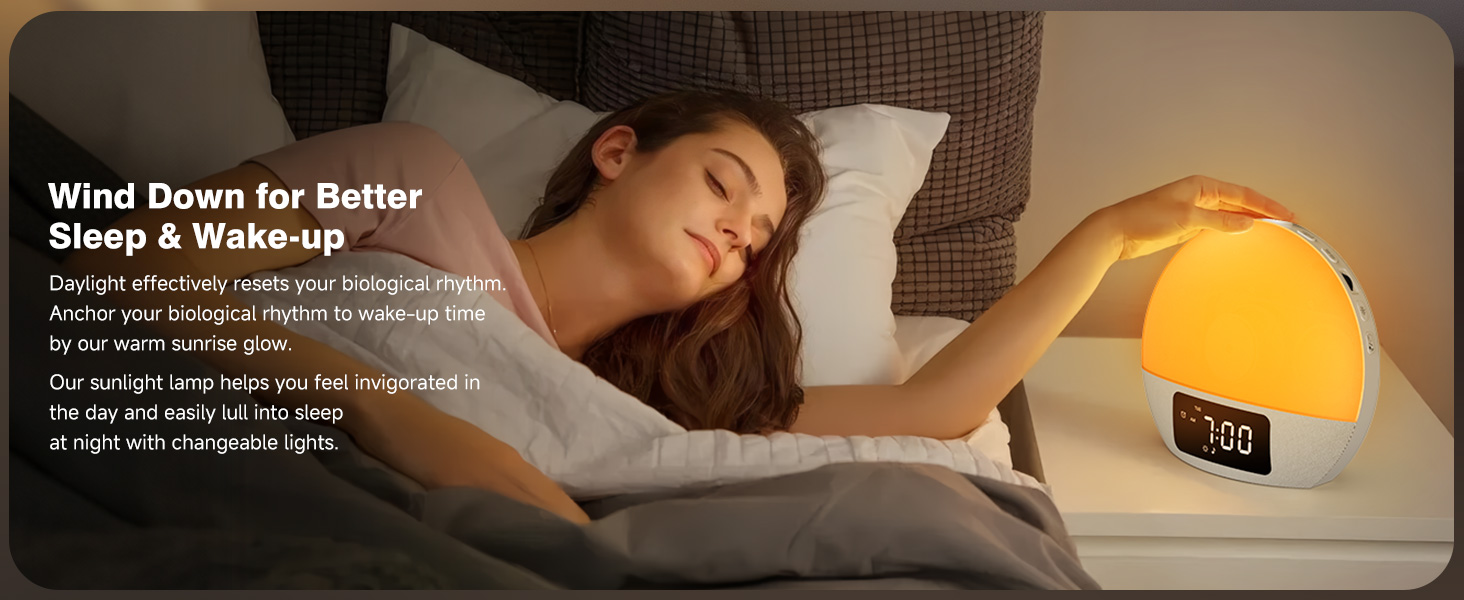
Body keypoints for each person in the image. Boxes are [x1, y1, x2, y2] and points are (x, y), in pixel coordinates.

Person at [65, 89, 1296, 525]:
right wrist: (382, 402)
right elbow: (121, 269)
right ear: (618, 153)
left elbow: (937, 410)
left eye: (758, 241)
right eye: (723, 185)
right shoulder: (415, 178)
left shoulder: (651, 409)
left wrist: (1106, 236)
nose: (737, 235)